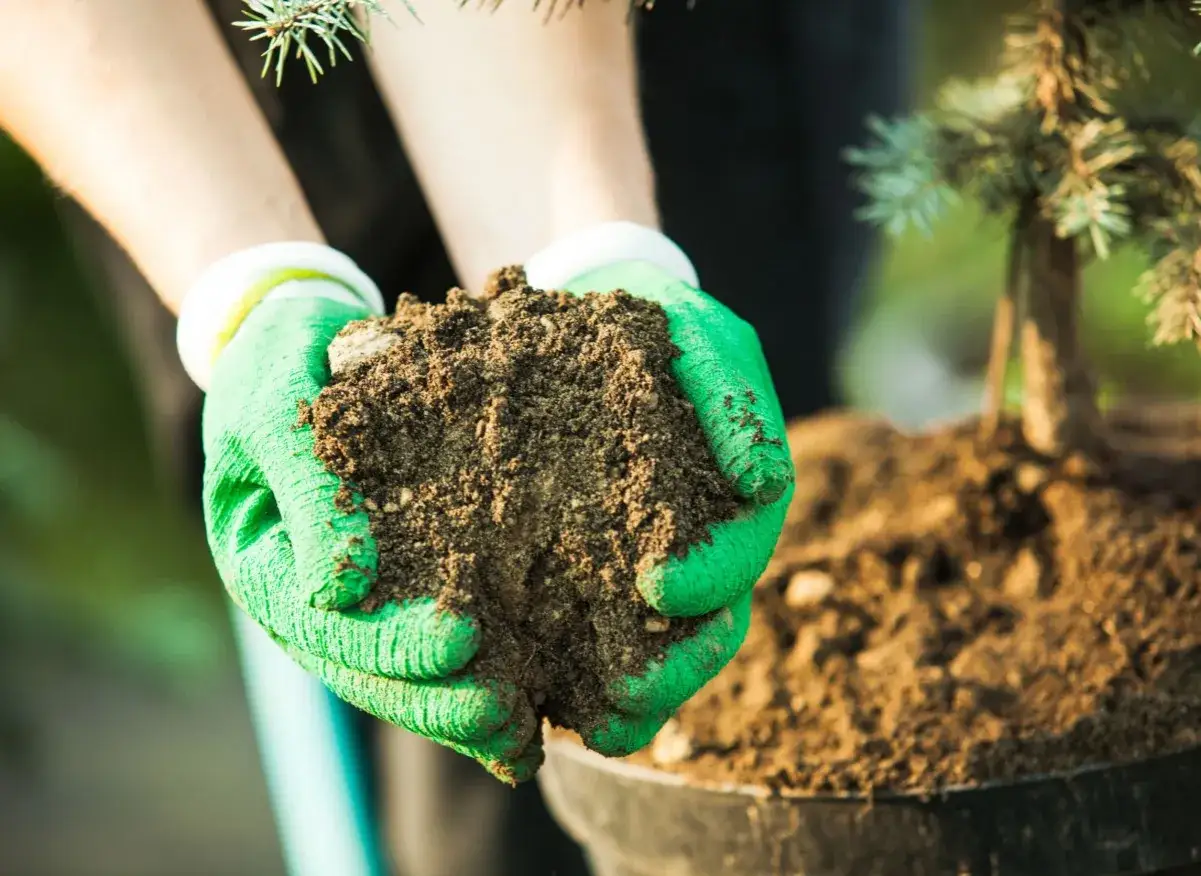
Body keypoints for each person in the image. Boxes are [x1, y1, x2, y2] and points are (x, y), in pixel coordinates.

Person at [0, 2, 910, 875]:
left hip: (653, 54)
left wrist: (588, 254)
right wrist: (253, 282)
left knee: (742, 710)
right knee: (408, 728)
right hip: (188, 75)